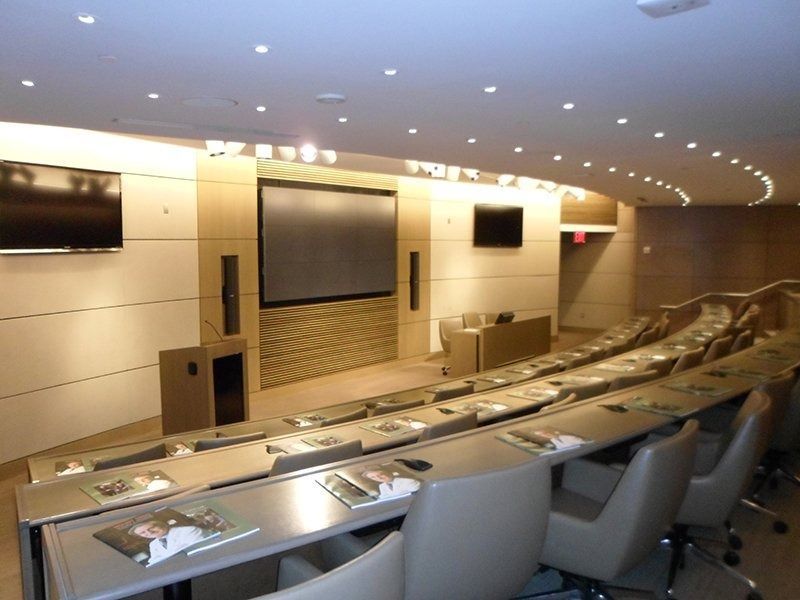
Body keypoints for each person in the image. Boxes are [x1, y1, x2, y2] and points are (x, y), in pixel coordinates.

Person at [129, 519, 209, 566]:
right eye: (143, 533)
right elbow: (154, 562)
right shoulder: (153, 544)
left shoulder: (189, 530)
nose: (149, 533)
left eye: (151, 528)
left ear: (161, 524)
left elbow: (199, 552)